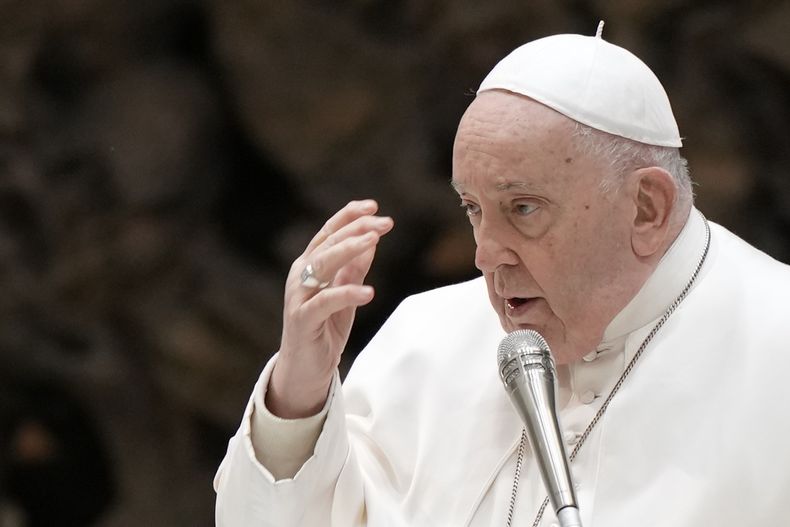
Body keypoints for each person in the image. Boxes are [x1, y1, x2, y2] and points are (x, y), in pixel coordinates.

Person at [214, 27, 790, 527]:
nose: (485, 255)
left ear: (646, 208)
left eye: (523, 209)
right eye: (473, 210)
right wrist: (298, 397)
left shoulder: (776, 348)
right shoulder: (426, 340)